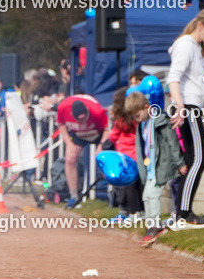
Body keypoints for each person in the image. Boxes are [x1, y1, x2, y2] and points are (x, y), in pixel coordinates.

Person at [166, 8, 204, 229]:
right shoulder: (186, 45)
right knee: (199, 160)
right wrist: (180, 107)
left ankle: (181, 211)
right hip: (187, 107)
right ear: (200, 25)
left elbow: (201, 86)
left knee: (193, 160)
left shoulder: (198, 48)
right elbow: (173, 78)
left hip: (194, 106)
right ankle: (184, 214)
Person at [128, 92, 187, 246]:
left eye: (137, 115)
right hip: (150, 168)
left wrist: (180, 162)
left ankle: (155, 226)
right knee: (146, 196)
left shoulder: (160, 120)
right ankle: (151, 226)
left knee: (153, 195)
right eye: (134, 117)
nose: (136, 119)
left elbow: (172, 142)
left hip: (162, 165)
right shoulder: (142, 125)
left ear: (147, 107)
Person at [55, 94, 109, 209]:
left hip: (97, 132)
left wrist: (101, 145)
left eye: (84, 119)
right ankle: (73, 195)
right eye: (80, 120)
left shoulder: (97, 110)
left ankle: (110, 189)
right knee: (70, 158)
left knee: (103, 156)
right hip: (78, 134)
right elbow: (61, 124)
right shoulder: (63, 108)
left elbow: (107, 128)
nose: (83, 122)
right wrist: (69, 143)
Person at [105, 88, 142, 222]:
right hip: (137, 157)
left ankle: (129, 212)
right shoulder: (136, 119)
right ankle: (139, 211)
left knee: (126, 187)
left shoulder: (120, 121)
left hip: (124, 158)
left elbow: (112, 136)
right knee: (137, 186)